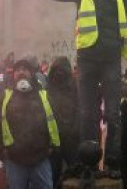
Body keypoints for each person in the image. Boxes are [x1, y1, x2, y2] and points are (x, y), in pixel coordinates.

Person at [26, 0, 127, 175]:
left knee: (112, 113)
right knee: (86, 113)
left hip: (111, 59)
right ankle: (88, 161)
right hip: (87, 60)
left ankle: (112, 161)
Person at [0, 57, 59, 189]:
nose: (21, 72)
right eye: (18, 70)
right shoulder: (4, 97)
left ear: (31, 74)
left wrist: (52, 147)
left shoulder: (44, 95)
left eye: (25, 69)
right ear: (13, 75)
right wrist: (0, 152)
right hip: (15, 160)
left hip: (41, 159)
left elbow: (54, 121)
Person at [46, 56, 79, 186]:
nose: (59, 73)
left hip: (72, 137)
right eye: (56, 70)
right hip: (54, 141)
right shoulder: (47, 89)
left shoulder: (75, 88)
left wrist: (75, 129)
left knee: (75, 173)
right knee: (53, 174)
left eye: (62, 70)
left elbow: (80, 109)